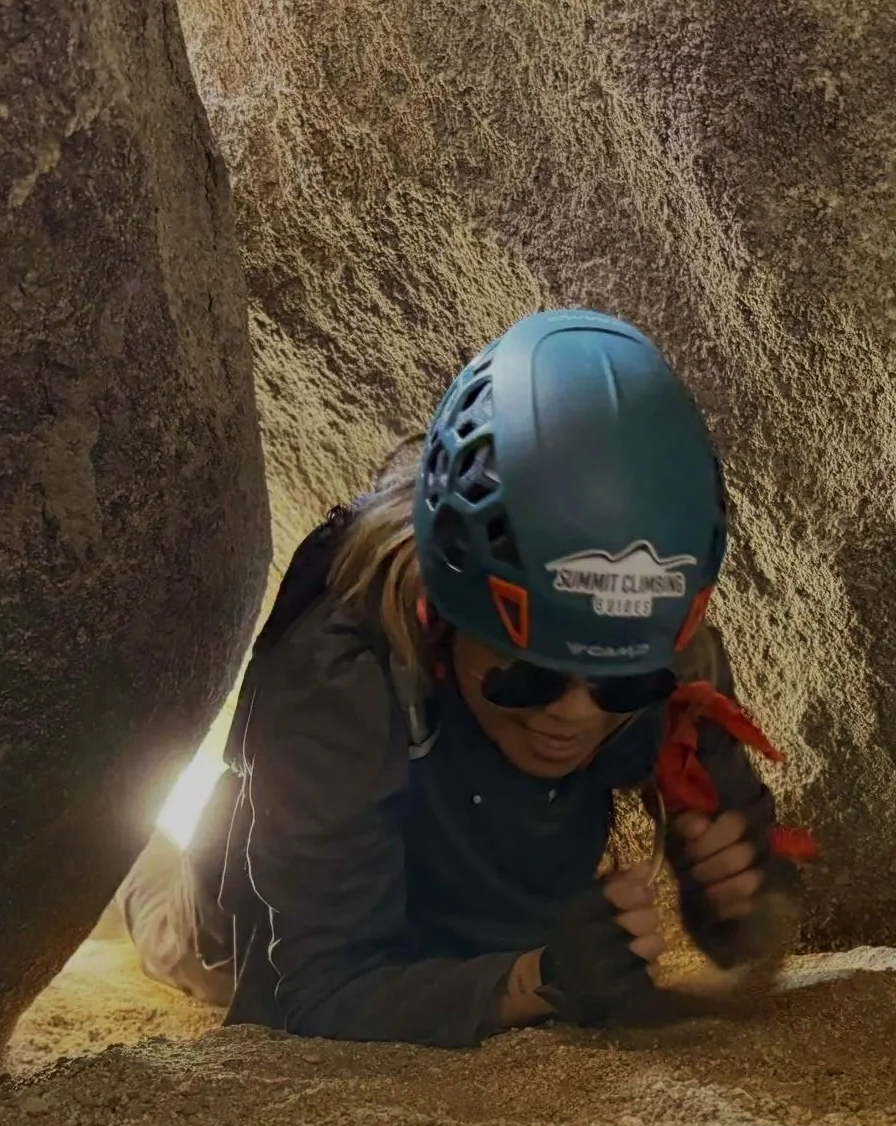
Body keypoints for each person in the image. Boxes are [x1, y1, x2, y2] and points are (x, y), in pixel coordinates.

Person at [115, 308, 810, 1043]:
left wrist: (733, 899)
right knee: (170, 920)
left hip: (486, 902)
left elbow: (757, 922)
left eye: (617, 686)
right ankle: (139, 862)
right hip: (253, 898)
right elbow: (311, 993)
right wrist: (540, 978)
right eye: (535, 675)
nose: (574, 714)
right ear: (450, 610)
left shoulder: (653, 634)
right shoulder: (342, 677)